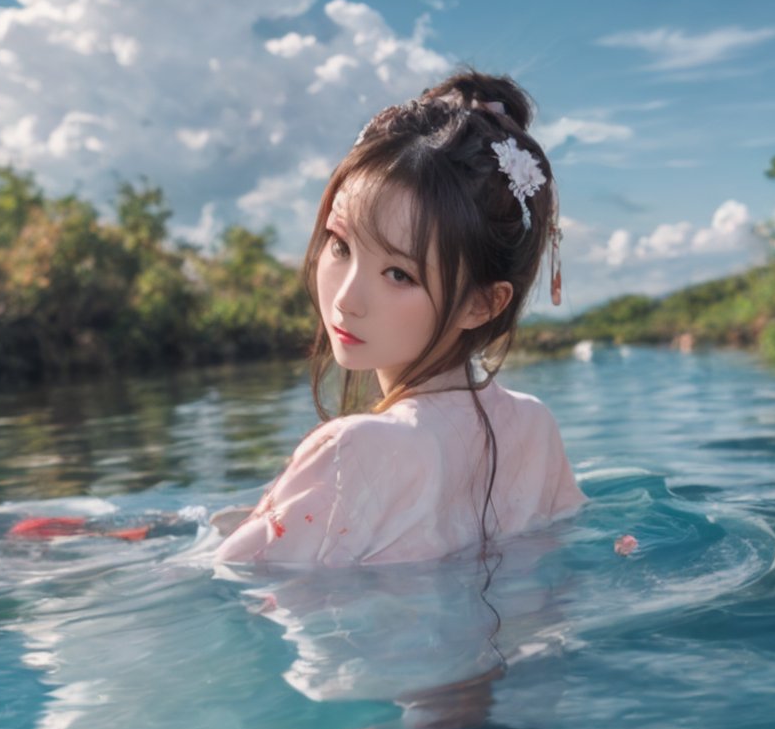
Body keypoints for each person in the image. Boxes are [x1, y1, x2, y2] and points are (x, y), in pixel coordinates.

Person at [211, 68, 585, 571]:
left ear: (484, 304)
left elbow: (226, 583)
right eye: (340, 245)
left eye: (398, 274)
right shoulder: (536, 426)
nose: (346, 299)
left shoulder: (351, 450)